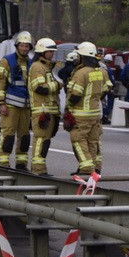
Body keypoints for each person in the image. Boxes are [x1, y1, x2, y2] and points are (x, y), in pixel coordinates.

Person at [64, 41, 112, 178]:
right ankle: (95, 169)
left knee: (78, 140)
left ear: (83, 57)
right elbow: (107, 88)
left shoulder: (81, 73)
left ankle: (86, 168)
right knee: (93, 141)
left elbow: (75, 94)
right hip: (95, 113)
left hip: (80, 113)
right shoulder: (102, 71)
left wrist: (68, 107)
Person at [0, 31, 33, 169]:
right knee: (8, 135)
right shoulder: (6, 60)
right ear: (17, 46)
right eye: (22, 46)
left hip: (26, 106)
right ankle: (4, 163)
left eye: (27, 46)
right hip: (10, 106)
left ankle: (21, 164)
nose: (24, 48)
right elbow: (0, 82)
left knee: (24, 137)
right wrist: (2, 103)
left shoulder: (30, 63)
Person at [28, 38, 61, 176]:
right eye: (49, 51)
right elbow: (39, 88)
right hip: (41, 110)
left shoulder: (46, 67)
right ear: (42, 51)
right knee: (41, 139)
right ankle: (37, 169)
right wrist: (57, 85)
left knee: (45, 141)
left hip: (49, 110)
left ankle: (41, 169)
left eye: (53, 51)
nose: (52, 54)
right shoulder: (37, 67)